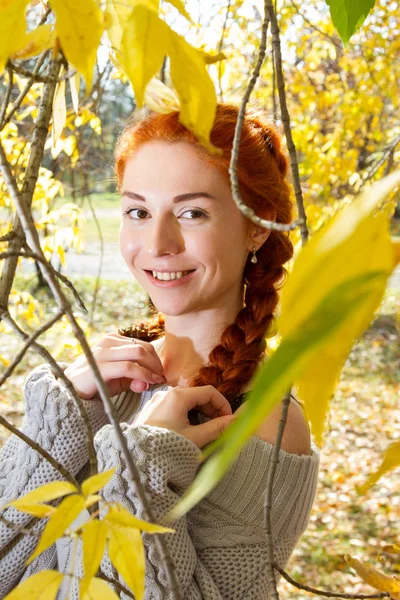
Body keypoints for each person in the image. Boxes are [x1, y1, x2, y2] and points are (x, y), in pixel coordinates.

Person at [0, 103, 320, 599]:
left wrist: (138, 466)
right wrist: (60, 416)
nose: (157, 242)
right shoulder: (104, 373)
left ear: (259, 225)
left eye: (192, 212)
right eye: (138, 211)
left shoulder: (264, 425)